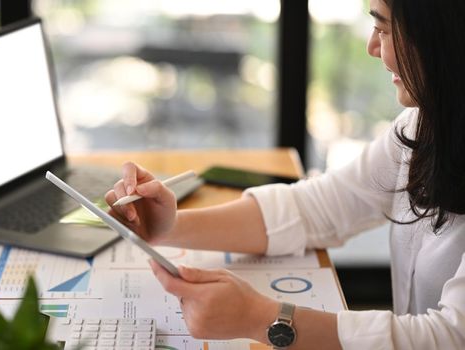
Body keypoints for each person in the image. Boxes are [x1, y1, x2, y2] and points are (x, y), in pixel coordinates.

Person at [104, 0, 465, 348]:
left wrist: (261, 318)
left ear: (439, 34)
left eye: (384, 29)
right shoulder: (425, 125)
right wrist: (169, 226)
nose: (372, 46)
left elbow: (452, 338)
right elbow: (317, 208)